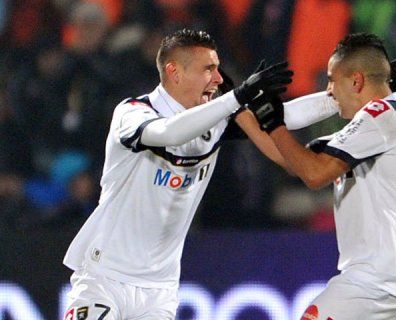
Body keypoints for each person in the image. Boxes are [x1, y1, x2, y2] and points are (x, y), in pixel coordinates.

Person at [62, 28, 293, 319]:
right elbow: (169, 133)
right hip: (105, 278)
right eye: (209, 69)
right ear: (174, 72)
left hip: (160, 290)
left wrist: (335, 99)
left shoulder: (216, 118)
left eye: (218, 69)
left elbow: (287, 115)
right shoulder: (132, 113)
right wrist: (235, 98)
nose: (219, 79)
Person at [249, 33, 396, 319]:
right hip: (380, 274)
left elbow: (315, 174)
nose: (329, 92)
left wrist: (274, 122)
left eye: (332, 80)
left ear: (356, 81)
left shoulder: (380, 117)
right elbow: (295, 161)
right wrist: (244, 113)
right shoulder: (380, 122)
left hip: (375, 278)